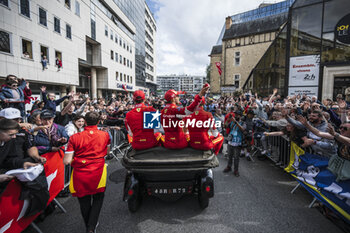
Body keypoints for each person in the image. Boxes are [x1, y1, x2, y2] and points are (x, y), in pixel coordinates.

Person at [64, 112, 110, 233]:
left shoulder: (75, 137)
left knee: (84, 200)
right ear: (99, 122)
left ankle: (89, 226)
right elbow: (107, 152)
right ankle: (91, 227)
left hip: (80, 172)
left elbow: (67, 161)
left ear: (85, 122)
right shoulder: (105, 135)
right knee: (98, 198)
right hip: (98, 171)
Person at [160, 84, 209, 149]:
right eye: (177, 96)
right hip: (179, 143)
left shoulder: (163, 111)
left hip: (168, 143)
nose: (179, 97)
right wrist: (200, 95)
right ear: (173, 99)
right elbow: (189, 110)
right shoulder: (175, 109)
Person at [223, 111, 246, 177]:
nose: (236, 116)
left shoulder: (243, 123)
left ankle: (236, 170)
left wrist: (236, 122)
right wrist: (228, 120)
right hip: (230, 141)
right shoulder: (232, 122)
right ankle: (229, 167)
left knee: (236, 158)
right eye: (235, 115)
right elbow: (225, 126)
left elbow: (243, 129)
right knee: (230, 156)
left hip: (238, 143)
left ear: (240, 116)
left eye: (237, 115)